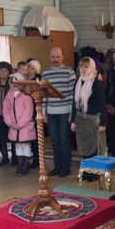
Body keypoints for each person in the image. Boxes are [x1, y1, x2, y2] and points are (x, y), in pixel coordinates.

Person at [42, 46, 76, 178]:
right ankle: (57, 166)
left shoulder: (69, 71)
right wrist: (43, 112)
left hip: (64, 112)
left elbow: (73, 93)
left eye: (58, 57)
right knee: (54, 141)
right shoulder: (45, 73)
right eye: (53, 57)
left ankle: (65, 167)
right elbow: (43, 94)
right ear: (49, 57)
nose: (55, 59)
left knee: (64, 140)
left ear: (63, 57)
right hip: (50, 112)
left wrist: (72, 113)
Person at [70, 57, 106, 177]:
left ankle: (93, 173)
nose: (83, 69)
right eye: (81, 66)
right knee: (83, 145)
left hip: (92, 119)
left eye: (86, 67)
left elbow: (102, 104)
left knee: (93, 147)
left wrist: (102, 123)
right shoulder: (78, 81)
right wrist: (73, 121)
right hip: (80, 119)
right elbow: (74, 103)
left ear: (91, 68)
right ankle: (86, 172)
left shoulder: (96, 83)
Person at [2, 72, 36, 176]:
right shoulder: (9, 94)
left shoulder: (26, 95)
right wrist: (10, 123)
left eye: (17, 82)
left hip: (24, 127)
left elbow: (28, 111)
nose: (15, 84)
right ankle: (20, 166)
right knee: (17, 146)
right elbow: (5, 110)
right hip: (13, 126)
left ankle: (25, 166)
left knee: (25, 146)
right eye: (13, 82)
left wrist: (19, 124)